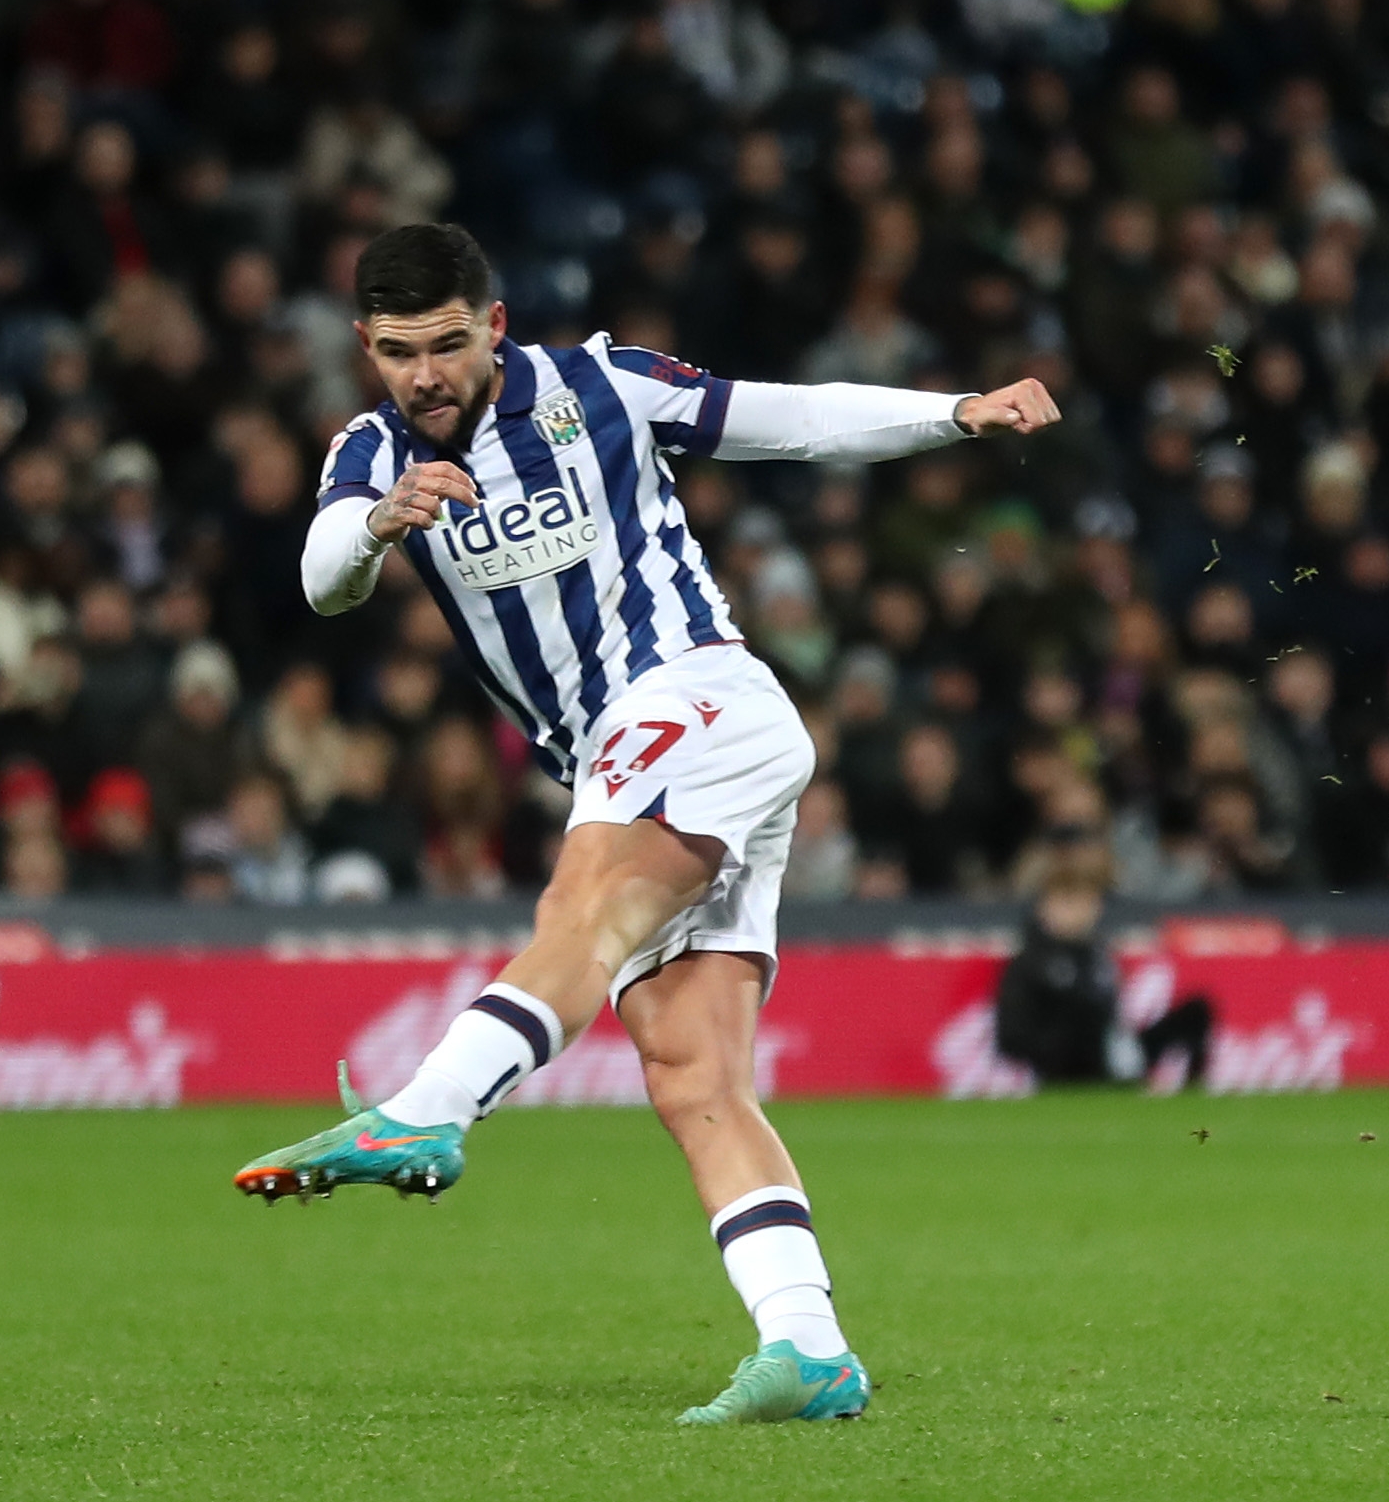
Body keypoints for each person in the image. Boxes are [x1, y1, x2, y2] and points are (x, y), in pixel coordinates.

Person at [233, 223, 1064, 1425]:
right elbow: (320, 577)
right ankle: (808, 1346)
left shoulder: (593, 387)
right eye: (400, 353)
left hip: (691, 694)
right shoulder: (366, 454)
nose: (425, 376)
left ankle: (428, 1110)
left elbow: (788, 416)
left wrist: (955, 412)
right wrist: (378, 522)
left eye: (449, 346)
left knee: (581, 909)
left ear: (495, 325)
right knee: (692, 1073)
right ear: (365, 347)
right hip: (646, 753)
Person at [993, 868, 1213, 1087]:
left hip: (1114, 1046)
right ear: (1044, 907)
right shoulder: (1029, 961)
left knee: (1197, 1009)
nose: (1079, 911)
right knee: (1084, 1016)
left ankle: (1190, 1088)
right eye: (1069, 902)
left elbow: (1115, 1013)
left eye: (1086, 902)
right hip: (1067, 1066)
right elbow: (1011, 1036)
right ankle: (1122, 1077)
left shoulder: (1099, 954)